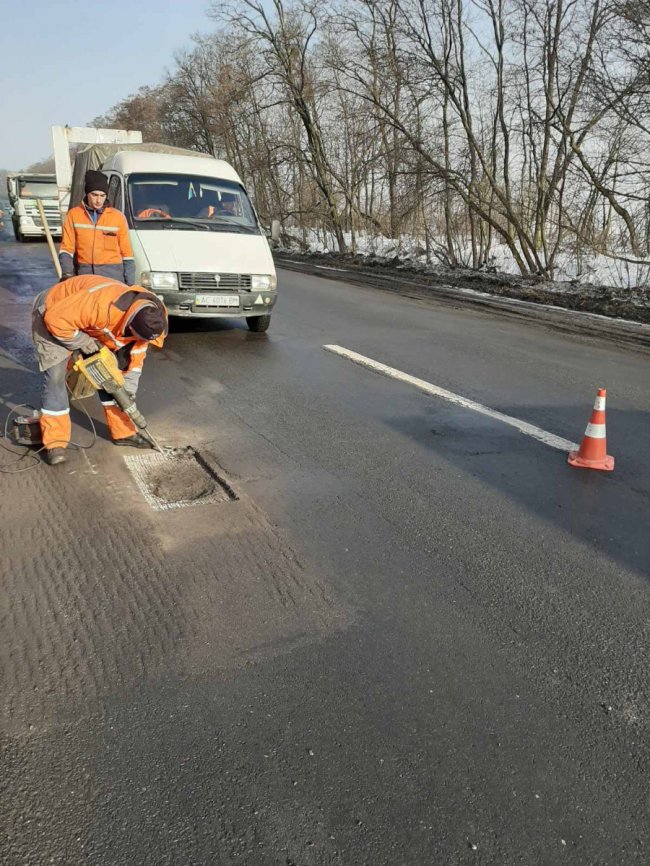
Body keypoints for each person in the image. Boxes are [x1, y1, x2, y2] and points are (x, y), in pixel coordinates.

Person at [32, 274, 168, 465]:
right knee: (56, 376)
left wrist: (127, 395)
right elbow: (55, 320)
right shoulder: (101, 306)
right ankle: (55, 442)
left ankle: (124, 433)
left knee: (109, 374)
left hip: (93, 323)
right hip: (54, 311)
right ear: (130, 325)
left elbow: (133, 361)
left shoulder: (153, 320)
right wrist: (83, 342)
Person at [59, 170, 135, 285]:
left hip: (112, 277)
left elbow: (127, 255)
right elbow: (66, 249)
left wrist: (130, 285)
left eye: (102, 195)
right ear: (87, 194)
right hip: (85, 276)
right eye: (94, 195)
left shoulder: (118, 218)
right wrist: (67, 275)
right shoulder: (74, 215)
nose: (99, 200)